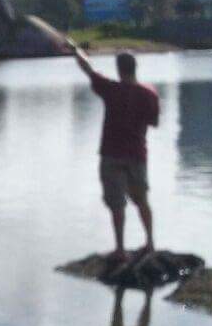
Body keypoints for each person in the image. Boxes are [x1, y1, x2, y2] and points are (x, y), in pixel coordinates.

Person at [68, 42, 160, 260]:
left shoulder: (110, 89)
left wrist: (75, 50)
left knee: (116, 204)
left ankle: (120, 249)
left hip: (111, 154)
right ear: (134, 68)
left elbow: (87, 68)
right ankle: (149, 243)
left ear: (119, 69)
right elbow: (154, 122)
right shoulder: (149, 94)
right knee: (142, 200)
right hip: (137, 155)